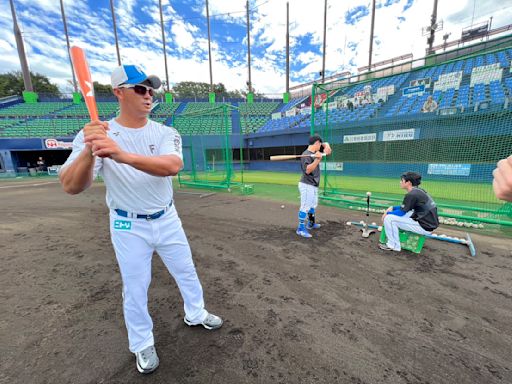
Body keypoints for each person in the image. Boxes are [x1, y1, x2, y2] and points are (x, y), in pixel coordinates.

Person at [59, 64, 222, 374]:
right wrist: (89, 151)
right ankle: (142, 342)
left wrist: (121, 155)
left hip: (167, 216)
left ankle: (196, 313)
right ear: (118, 92)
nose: (149, 95)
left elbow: (172, 166)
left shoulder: (165, 132)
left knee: (186, 270)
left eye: (151, 90)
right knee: (135, 286)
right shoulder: (95, 133)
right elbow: (70, 186)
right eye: (140, 89)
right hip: (126, 223)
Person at [379, 172, 439, 252]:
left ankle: (393, 245)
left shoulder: (412, 194)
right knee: (403, 214)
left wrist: (386, 214)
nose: (400, 182)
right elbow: (407, 208)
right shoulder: (418, 191)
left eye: (402, 180)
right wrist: (392, 208)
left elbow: (401, 212)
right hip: (428, 222)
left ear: (408, 182)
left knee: (389, 219)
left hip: (424, 226)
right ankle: (394, 241)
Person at [296, 135, 332, 238]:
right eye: (319, 144)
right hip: (307, 184)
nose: (320, 146)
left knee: (313, 205)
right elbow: (308, 170)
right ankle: (300, 228)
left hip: (313, 184)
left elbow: (328, 151)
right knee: (305, 206)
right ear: (316, 143)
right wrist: (317, 160)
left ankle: (310, 223)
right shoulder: (306, 155)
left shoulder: (315, 152)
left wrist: (326, 144)